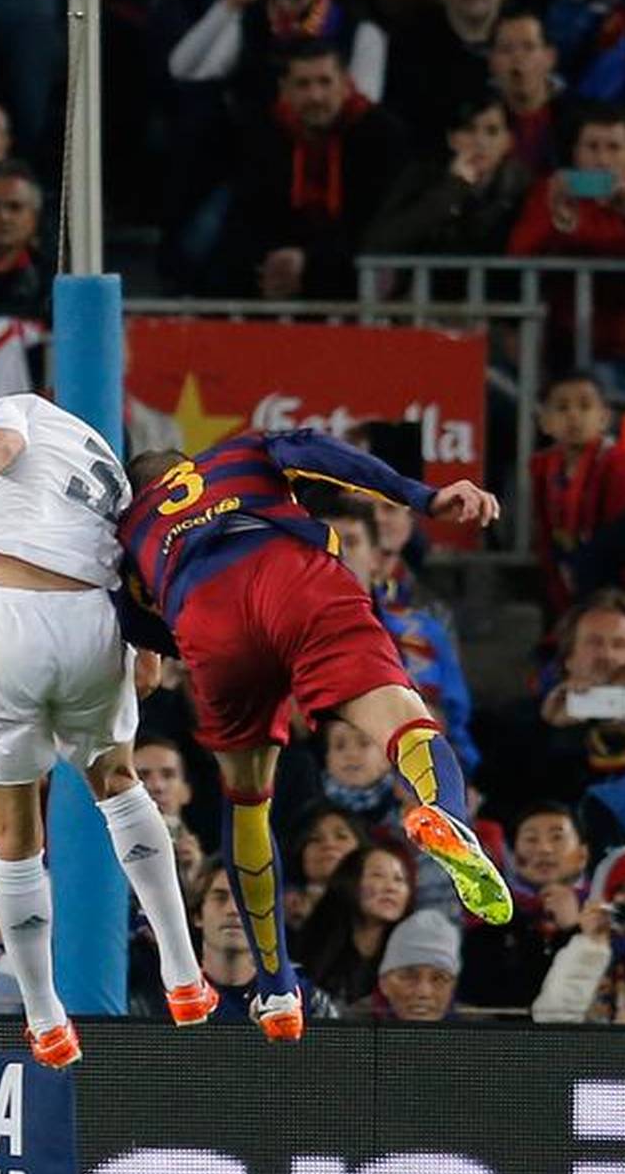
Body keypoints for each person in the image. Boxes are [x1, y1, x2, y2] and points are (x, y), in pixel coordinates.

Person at [117, 432, 507, 1044]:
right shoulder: (233, 454)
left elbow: (139, 622)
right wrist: (422, 497)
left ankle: (274, 989)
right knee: (401, 715)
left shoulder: (131, 534)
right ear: (185, 467)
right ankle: (446, 812)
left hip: (206, 618)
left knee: (247, 800)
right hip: (289, 573)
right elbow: (323, 455)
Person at [0, 397, 215, 1066]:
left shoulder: (14, 408)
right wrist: (148, 651)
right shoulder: (113, 479)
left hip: (4, 616)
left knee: (15, 836)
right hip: (90, 621)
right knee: (118, 782)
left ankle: (44, 1016)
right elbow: (137, 574)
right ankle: (183, 971)